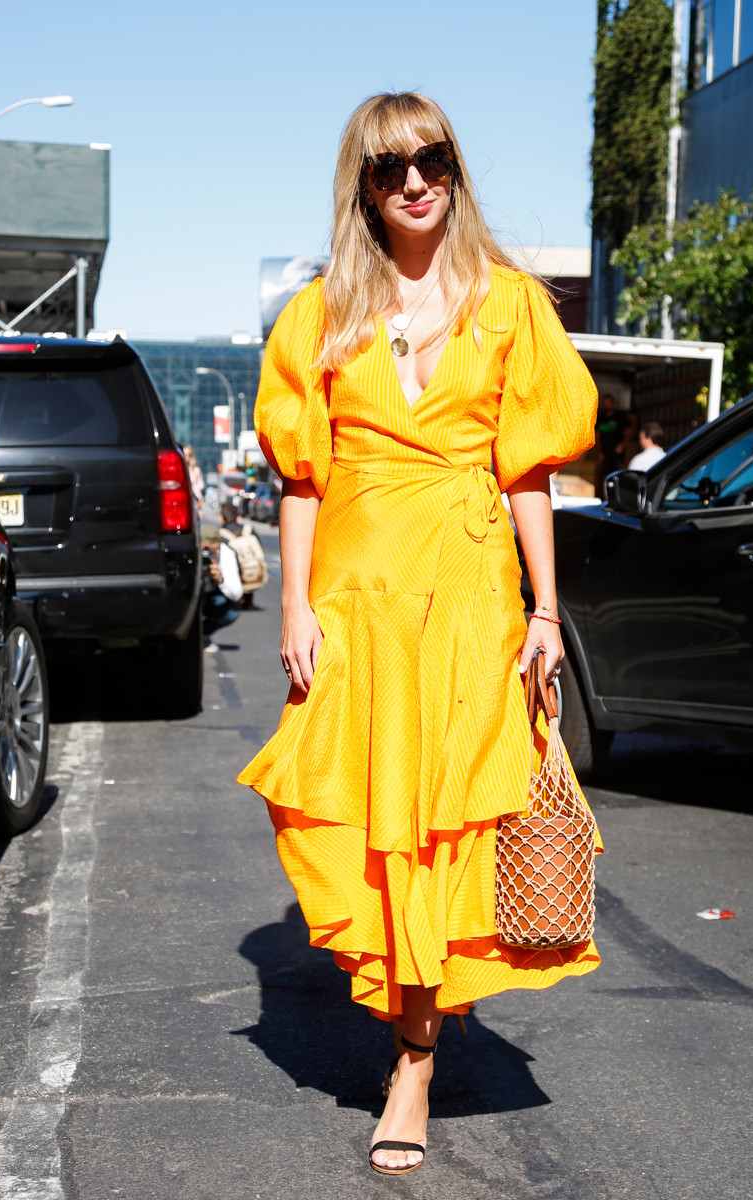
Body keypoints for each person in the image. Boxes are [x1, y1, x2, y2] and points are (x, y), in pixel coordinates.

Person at [237, 91, 603, 1177]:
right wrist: (294, 607)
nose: (414, 182)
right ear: (363, 183)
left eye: (431, 160)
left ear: (454, 168)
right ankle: (405, 1020)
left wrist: (543, 612)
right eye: (390, 167)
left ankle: (413, 1061)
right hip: (353, 600)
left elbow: (528, 469)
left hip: (469, 593)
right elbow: (300, 481)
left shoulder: (511, 307)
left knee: (448, 829)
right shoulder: (318, 315)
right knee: (365, 824)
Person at [594, 392, 625, 492]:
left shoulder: (619, 417)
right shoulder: (601, 417)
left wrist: (622, 445)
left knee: (616, 474)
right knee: (603, 475)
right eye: (604, 403)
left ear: (612, 403)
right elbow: (597, 435)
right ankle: (603, 496)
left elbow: (628, 432)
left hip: (616, 452)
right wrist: (599, 451)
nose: (606, 405)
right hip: (604, 452)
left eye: (608, 402)